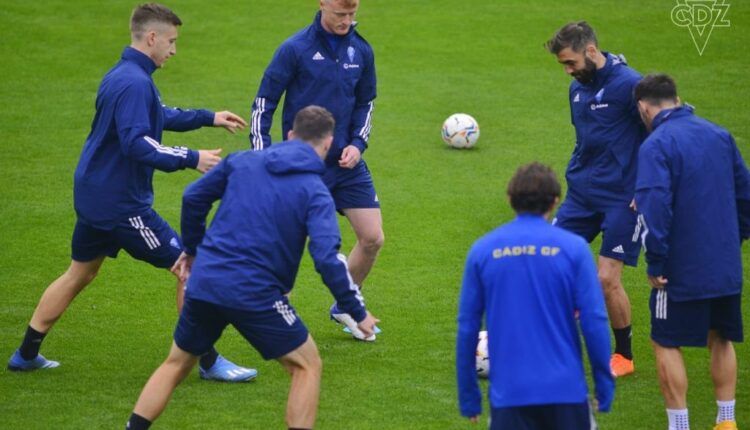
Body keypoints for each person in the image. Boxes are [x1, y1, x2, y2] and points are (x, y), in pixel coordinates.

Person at [7, 3, 256, 382]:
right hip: (121, 204)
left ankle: (26, 354)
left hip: (94, 195)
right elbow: (137, 143)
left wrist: (209, 117)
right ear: (152, 37)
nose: (174, 50)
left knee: (80, 273)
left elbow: (158, 115)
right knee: (191, 269)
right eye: (171, 41)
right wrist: (193, 158)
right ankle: (208, 362)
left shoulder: (124, 74)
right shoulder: (135, 82)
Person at [125, 106, 379, 430]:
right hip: (256, 293)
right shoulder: (315, 192)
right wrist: (357, 311)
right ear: (328, 144)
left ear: (290, 134)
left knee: (176, 363)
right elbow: (327, 258)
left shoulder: (241, 161)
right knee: (307, 366)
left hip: (206, 282)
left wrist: (192, 250)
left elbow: (193, 198)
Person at [249, 0, 383, 332]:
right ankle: (277, 321)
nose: (347, 21)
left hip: (346, 164)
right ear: (322, 4)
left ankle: (346, 307)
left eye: (353, 14)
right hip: (304, 166)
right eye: (340, 14)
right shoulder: (295, 49)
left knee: (372, 238)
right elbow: (264, 103)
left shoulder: (361, 50)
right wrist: (263, 155)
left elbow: (366, 103)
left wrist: (357, 144)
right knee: (288, 247)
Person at [456, 162, 614, 430]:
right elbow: (594, 320)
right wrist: (603, 383)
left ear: (510, 199)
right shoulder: (573, 249)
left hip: (510, 395)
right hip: (566, 393)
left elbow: (468, 326)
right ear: (555, 202)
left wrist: (469, 394)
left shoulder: (483, 250)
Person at [634, 74, 749, 430]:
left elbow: (655, 206)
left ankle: (680, 426)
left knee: (665, 341)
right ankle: (726, 422)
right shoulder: (719, 134)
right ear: (677, 99)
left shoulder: (657, 145)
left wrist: (655, 260)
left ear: (643, 107)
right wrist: (731, 242)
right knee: (722, 337)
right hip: (724, 263)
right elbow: (746, 197)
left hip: (679, 269)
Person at [546, 21, 647, 377]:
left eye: (570, 63)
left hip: (624, 199)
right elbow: (586, 139)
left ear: (591, 51)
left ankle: (624, 355)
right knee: (549, 258)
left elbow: (665, 127)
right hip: (582, 196)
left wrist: (649, 187)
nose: (568, 71)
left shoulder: (630, 85)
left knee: (607, 278)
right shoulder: (578, 88)